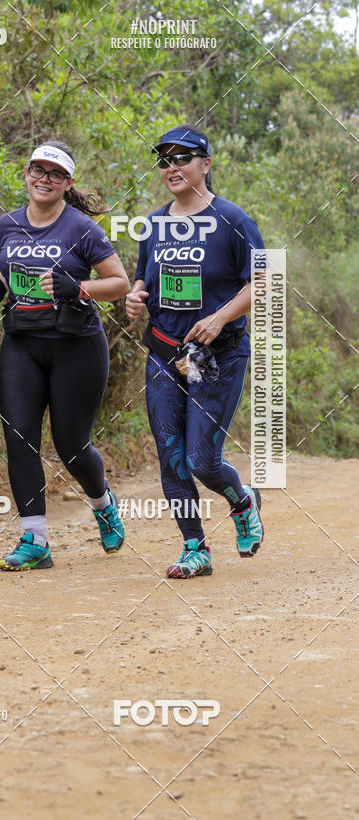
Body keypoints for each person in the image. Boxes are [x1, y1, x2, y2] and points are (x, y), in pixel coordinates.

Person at [125, 124, 265, 578]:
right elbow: (144, 275)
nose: (172, 167)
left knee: (203, 460)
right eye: (164, 159)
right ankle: (194, 548)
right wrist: (135, 294)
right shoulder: (154, 222)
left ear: (206, 163)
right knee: (171, 455)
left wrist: (222, 316)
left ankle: (242, 501)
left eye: (182, 157)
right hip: (165, 353)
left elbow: (264, 281)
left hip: (217, 356)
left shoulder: (233, 220)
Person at [0, 140, 130, 570]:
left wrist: (79, 287)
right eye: (37, 170)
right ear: (27, 174)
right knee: (19, 437)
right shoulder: (8, 223)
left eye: (54, 174)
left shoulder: (82, 228)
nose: (43, 179)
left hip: (76, 347)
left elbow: (120, 282)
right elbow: (4, 266)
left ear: (68, 183)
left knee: (71, 446)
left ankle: (103, 504)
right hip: (22, 345)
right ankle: (35, 539)